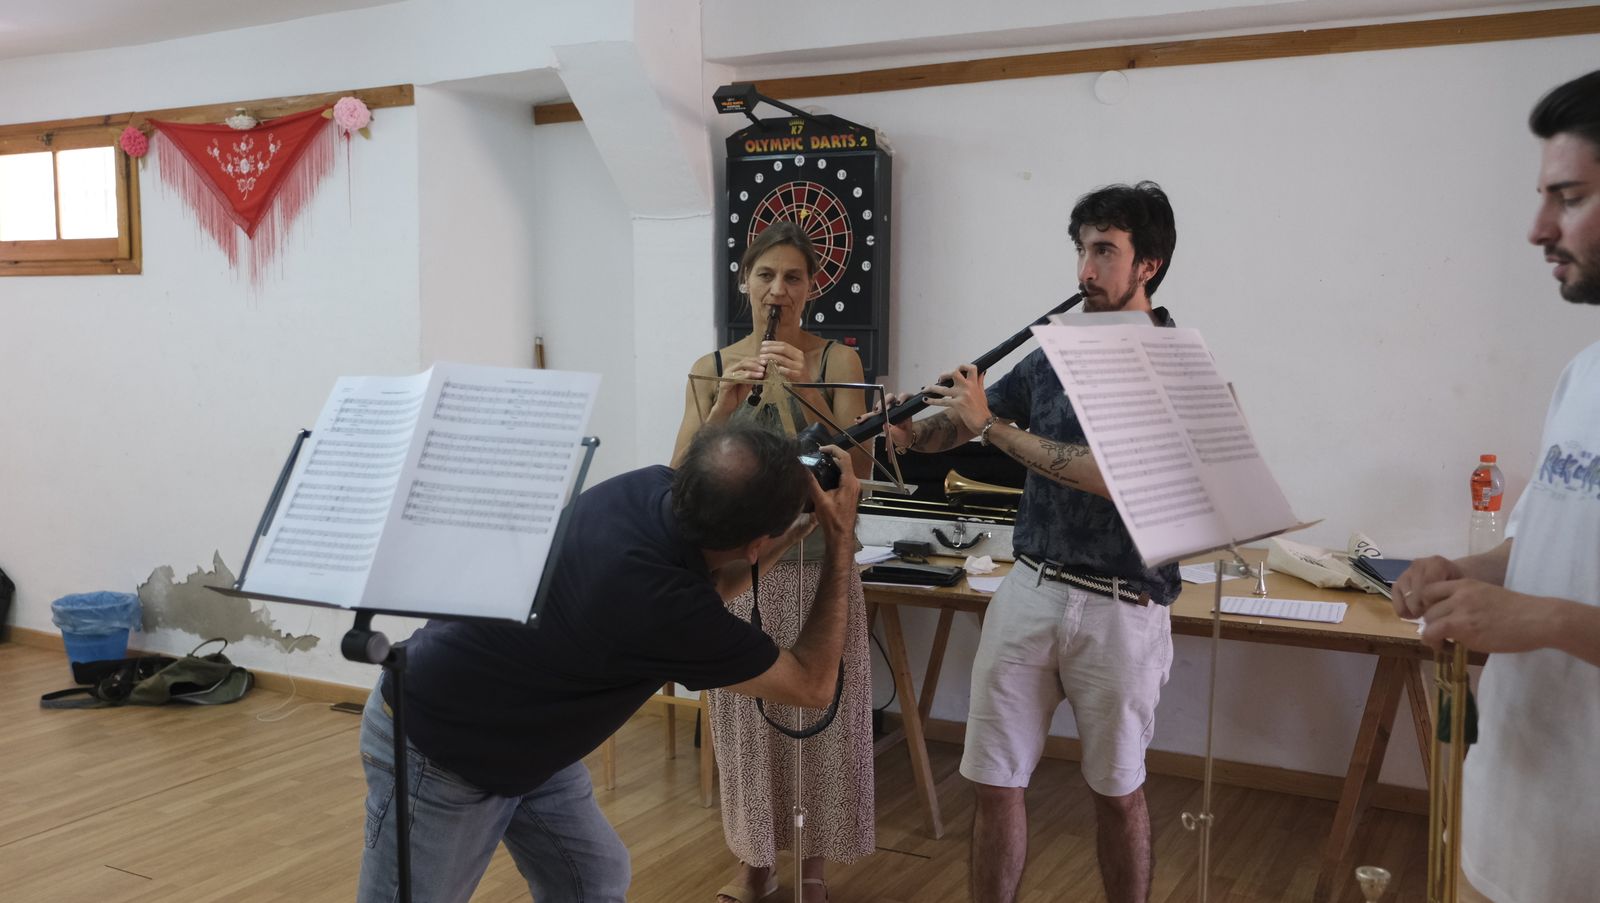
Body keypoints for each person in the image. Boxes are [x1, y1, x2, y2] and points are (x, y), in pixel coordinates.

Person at [355, 423, 860, 903]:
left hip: (522, 734)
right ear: (752, 542)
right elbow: (812, 685)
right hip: (441, 746)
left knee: (590, 879)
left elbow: (711, 592)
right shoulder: (661, 604)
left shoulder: (650, 487)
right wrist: (838, 540)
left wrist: (790, 533)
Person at [880, 182, 1179, 903]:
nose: (1084, 270)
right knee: (993, 782)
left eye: (1105, 250)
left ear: (1149, 265)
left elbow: (1106, 475)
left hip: (1122, 604)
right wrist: (910, 430)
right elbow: (969, 418)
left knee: (1118, 792)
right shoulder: (1055, 351)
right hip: (1031, 587)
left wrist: (989, 427)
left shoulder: (1171, 362)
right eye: (1081, 249)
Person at [1390, 69, 1600, 903]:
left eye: (1570, 196)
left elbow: (1550, 604)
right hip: (1519, 803)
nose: (1537, 228)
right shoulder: (1582, 374)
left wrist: (1540, 620)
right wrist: (1468, 574)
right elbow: (1547, 545)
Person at [671, 221, 874, 903]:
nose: (777, 290)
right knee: (747, 725)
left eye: (792, 277)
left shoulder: (837, 362)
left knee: (823, 726)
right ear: (744, 282)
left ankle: (812, 872)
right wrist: (724, 403)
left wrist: (808, 394)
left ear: (812, 288)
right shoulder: (711, 365)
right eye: (765, 276)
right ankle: (755, 864)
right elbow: (678, 478)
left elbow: (861, 466)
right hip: (738, 572)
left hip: (818, 566)